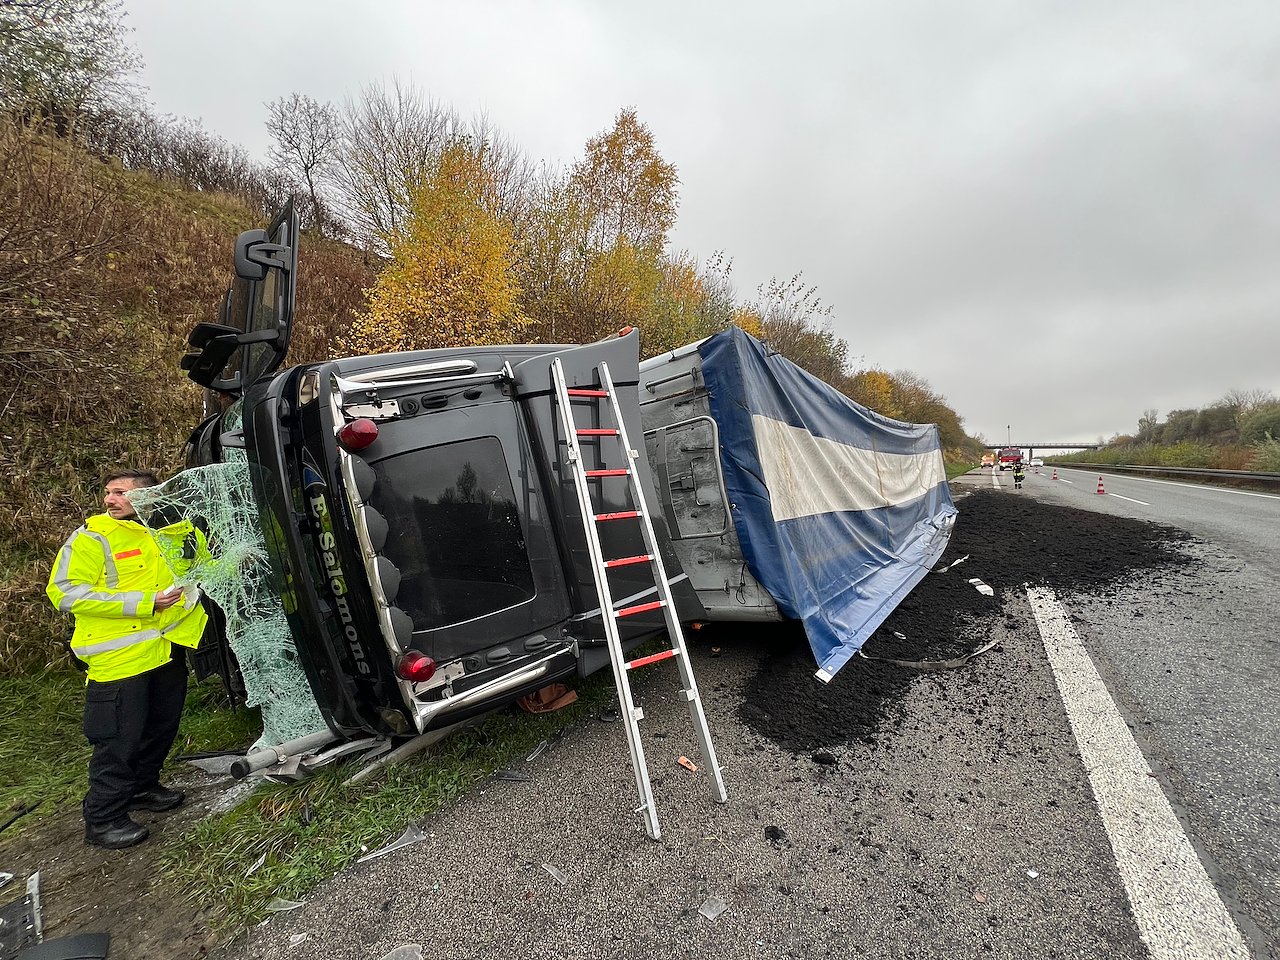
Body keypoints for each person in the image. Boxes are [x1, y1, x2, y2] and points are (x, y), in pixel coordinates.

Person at [46, 469, 208, 850]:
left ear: (149, 496)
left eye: (120, 492)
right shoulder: (93, 536)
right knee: (118, 742)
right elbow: (63, 592)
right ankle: (103, 819)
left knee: (161, 727)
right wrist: (144, 603)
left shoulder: (172, 529)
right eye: (108, 492)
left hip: (166, 650)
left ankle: (142, 788)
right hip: (118, 660)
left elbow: (202, 568)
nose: (109, 499)